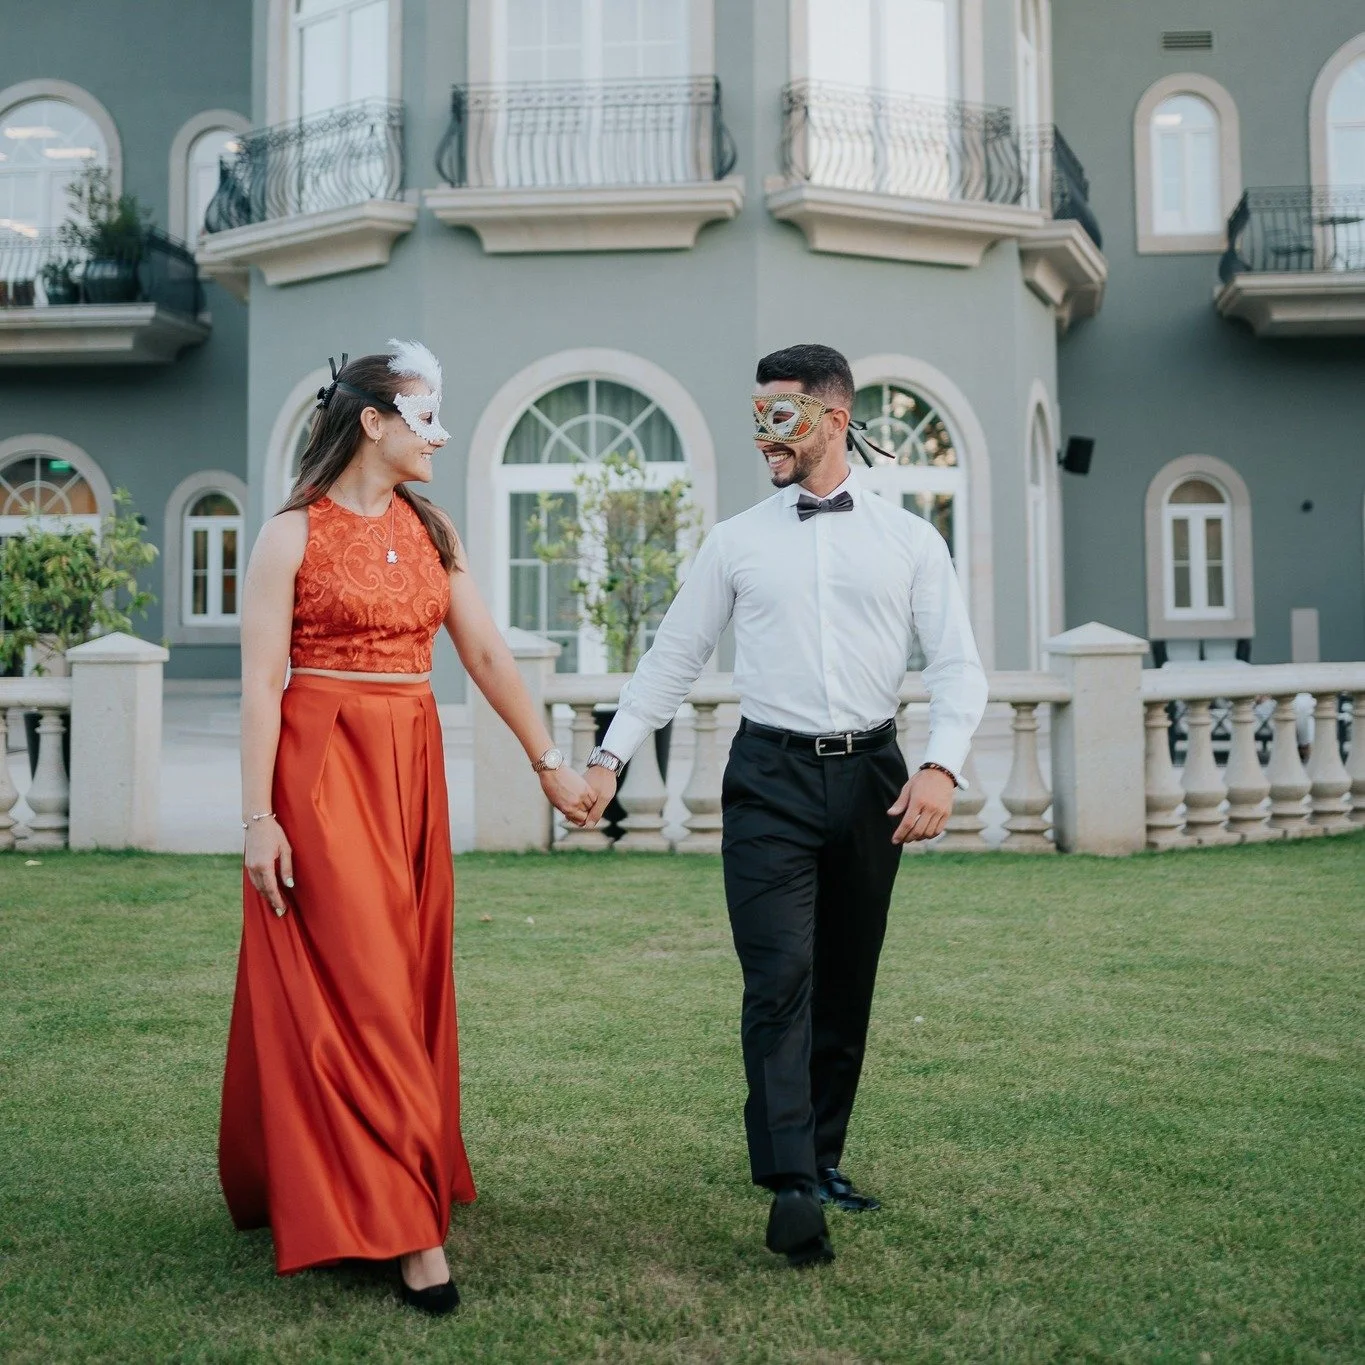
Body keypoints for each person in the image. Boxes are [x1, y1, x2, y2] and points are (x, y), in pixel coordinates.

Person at [580, 343, 988, 1267]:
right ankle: (790, 1183)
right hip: (766, 775)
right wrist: (608, 756)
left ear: (833, 419)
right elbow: (672, 660)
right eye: (755, 412)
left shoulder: (911, 541)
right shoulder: (736, 540)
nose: (763, 433)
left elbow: (957, 663)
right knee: (778, 979)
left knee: (845, 979)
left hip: (874, 776)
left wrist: (941, 766)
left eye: (781, 416)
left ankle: (825, 1159)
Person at [220, 341, 593, 1314]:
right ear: (373, 424)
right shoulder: (289, 536)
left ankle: (381, 1181)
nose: (443, 433)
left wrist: (548, 762)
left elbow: (483, 651)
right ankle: (410, 1233)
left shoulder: (432, 530)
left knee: (408, 977)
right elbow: (260, 684)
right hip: (323, 771)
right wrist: (259, 818)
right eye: (425, 417)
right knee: (368, 988)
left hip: (411, 768)